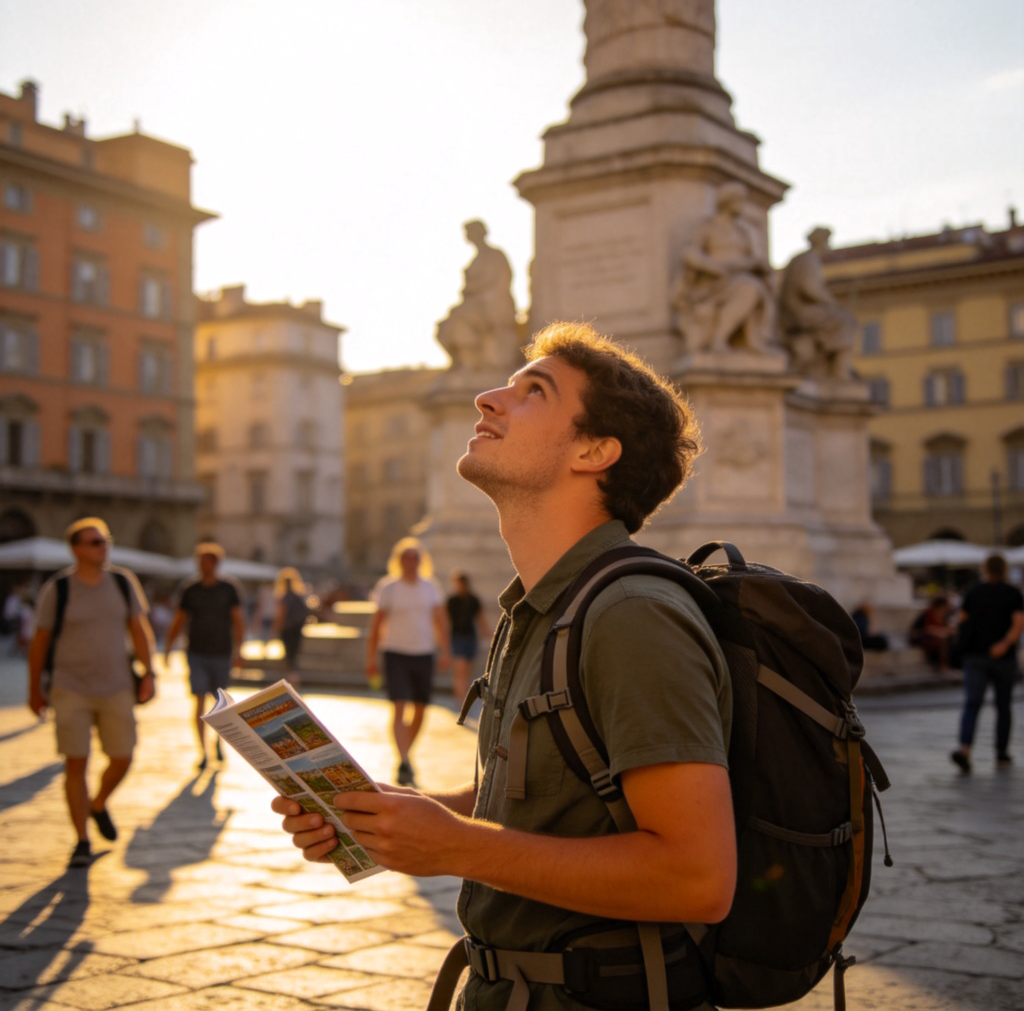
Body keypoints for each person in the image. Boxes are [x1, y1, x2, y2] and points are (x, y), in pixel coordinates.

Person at [274, 321, 735, 1011]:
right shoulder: (546, 605)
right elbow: (538, 807)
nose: (487, 398)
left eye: (533, 392)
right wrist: (396, 815)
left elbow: (696, 878)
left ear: (594, 451)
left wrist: (460, 848)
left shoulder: (631, 615)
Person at [26, 517, 156, 868]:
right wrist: (34, 688)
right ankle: (82, 839)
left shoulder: (122, 582)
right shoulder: (60, 589)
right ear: (76, 549)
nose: (103, 547)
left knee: (123, 757)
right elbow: (39, 642)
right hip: (70, 688)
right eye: (95, 542)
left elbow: (139, 629)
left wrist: (149, 672)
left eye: (105, 540)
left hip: (116, 686)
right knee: (76, 763)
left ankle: (98, 803)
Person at [364, 538, 450, 785]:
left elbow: (439, 620)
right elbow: (377, 624)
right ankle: (403, 759)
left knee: (421, 709)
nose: (411, 562)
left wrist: (446, 649)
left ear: (421, 562)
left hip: (424, 652)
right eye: (406, 558)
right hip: (395, 653)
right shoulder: (389, 588)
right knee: (399, 705)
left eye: (415, 558)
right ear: (399, 561)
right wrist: (371, 658)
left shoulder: (430, 587)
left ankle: (406, 754)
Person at [164, 542, 245, 770]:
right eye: (200, 561)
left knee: (220, 704)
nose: (203, 565)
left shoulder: (228, 589)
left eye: (207, 561)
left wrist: (240, 650)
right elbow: (179, 619)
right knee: (198, 700)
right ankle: (202, 751)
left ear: (216, 563)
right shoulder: (190, 589)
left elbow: (238, 620)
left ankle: (219, 742)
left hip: (221, 652)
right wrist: (169, 646)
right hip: (196, 652)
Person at [672, 181, 775, 355]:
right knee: (750, 287)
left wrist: (758, 265)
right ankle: (719, 338)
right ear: (727, 201)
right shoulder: (708, 227)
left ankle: (735, 339)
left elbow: (753, 258)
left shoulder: (744, 231)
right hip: (714, 280)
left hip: (740, 276)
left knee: (752, 286)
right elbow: (690, 253)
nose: (742, 205)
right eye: (738, 200)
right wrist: (714, 267)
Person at [950, 553, 1023, 773]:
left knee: (972, 704)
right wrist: (1004, 644)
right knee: (1003, 706)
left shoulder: (973, 591)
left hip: (975, 656)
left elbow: (960, 620)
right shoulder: (1012, 593)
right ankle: (1001, 754)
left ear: (985, 569)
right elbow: (1018, 624)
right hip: (1004, 658)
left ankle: (965, 749)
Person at [436, 219, 520, 372]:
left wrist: (475, 291)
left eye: (471, 232)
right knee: (446, 325)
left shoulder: (494, 256)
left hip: (491, 305)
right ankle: (467, 362)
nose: (468, 235)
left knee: (458, 320)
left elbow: (499, 283)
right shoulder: (479, 258)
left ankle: (470, 363)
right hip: (476, 304)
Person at [778, 226, 858, 380]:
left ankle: (837, 368)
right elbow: (808, 288)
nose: (829, 245)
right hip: (799, 312)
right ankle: (839, 372)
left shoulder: (804, 259)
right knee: (845, 321)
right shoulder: (809, 260)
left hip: (795, 311)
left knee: (843, 319)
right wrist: (831, 302)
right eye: (828, 240)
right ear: (822, 242)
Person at [445, 571, 488, 700]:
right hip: (456, 637)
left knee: (467, 670)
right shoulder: (451, 600)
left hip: (470, 637)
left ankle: (463, 696)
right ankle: (460, 698)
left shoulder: (473, 600)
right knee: (460, 669)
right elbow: (445, 621)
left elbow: (480, 619)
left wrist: (487, 634)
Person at [272, 567, 309, 687]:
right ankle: (294, 677)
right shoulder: (299, 596)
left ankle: (291, 679)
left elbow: (281, 614)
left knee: (288, 654)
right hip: (297, 629)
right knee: (294, 654)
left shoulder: (285, 597)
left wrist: (276, 627)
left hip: (287, 629)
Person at [908, 595, 955, 670]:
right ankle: (941, 665)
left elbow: (948, 628)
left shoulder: (944, 616)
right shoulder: (928, 613)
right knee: (941, 640)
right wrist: (942, 631)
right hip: (921, 636)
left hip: (935, 635)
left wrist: (946, 631)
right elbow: (927, 629)